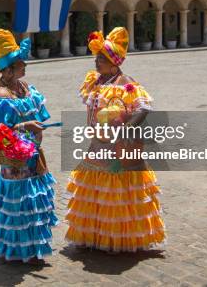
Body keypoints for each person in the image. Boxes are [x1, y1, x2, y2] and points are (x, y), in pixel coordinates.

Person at [65, 27, 166, 252]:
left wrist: (126, 129)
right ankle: (95, 234)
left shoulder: (125, 82)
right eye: (97, 57)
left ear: (114, 61)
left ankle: (119, 237)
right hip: (98, 144)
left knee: (117, 191)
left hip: (119, 146)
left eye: (101, 58)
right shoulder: (97, 81)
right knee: (95, 190)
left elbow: (143, 108)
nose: (96, 62)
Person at [0, 29, 58, 263]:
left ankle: (31, 248)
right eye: (21, 63)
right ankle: (17, 250)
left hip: (34, 158)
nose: (26, 66)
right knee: (19, 206)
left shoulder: (25, 88)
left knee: (32, 205)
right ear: (9, 68)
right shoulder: (0, 95)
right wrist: (24, 125)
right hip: (15, 163)